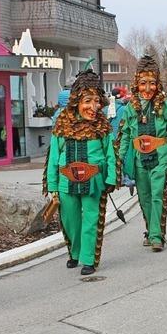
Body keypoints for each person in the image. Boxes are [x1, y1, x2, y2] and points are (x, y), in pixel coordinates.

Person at [45, 69, 117, 275]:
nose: (92, 107)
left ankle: (88, 259)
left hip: (94, 180)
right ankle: (75, 252)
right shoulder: (62, 124)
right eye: (87, 101)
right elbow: (52, 158)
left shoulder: (102, 126)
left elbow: (110, 154)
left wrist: (111, 177)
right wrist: (52, 185)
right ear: (77, 101)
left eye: (96, 101)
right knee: (70, 220)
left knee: (91, 219)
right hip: (65, 181)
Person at [118, 55, 167, 252]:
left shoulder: (166, 105)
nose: (147, 88)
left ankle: (156, 236)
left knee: (157, 194)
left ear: (158, 83)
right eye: (143, 83)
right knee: (144, 197)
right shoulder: (130, 107)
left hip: (160, 155)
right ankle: (151, 229)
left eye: (152, 83)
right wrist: (118, 159)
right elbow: (125, 135)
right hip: (138, 158)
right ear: (137, 83)